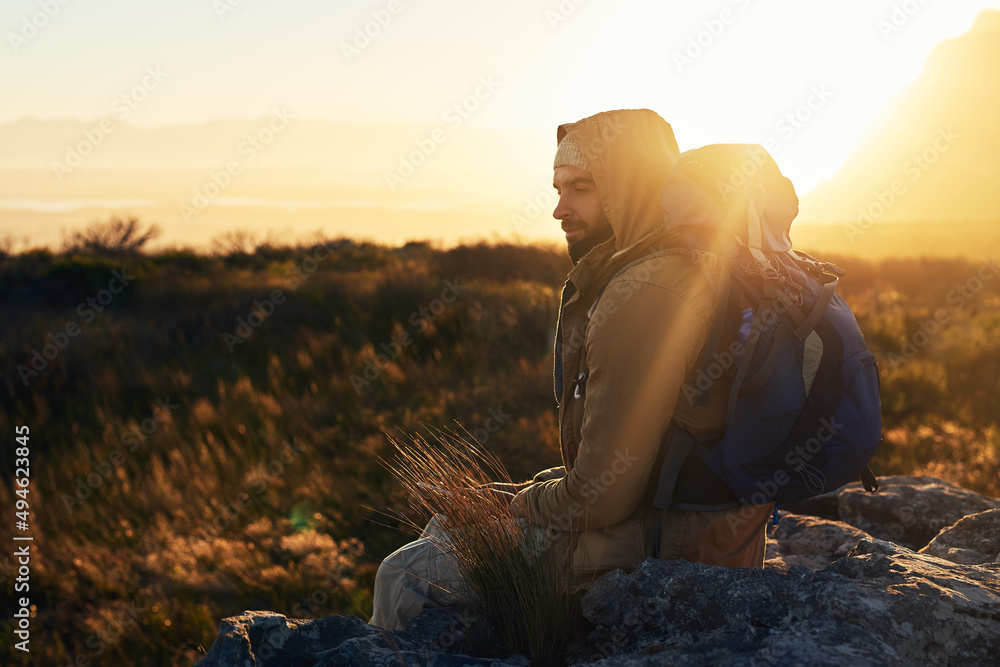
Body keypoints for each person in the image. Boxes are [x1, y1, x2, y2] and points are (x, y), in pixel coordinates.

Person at [370, 109, 772, 632]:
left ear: (630, 187)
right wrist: (511, 498)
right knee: (451, 523)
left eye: (581, 188)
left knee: (405, 575)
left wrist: (516, 509)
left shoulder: (646, 289)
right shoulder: (685, 257)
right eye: (558, 189)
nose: (560, 209)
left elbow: (599, 497)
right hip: (693, 521)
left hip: (674, 546)